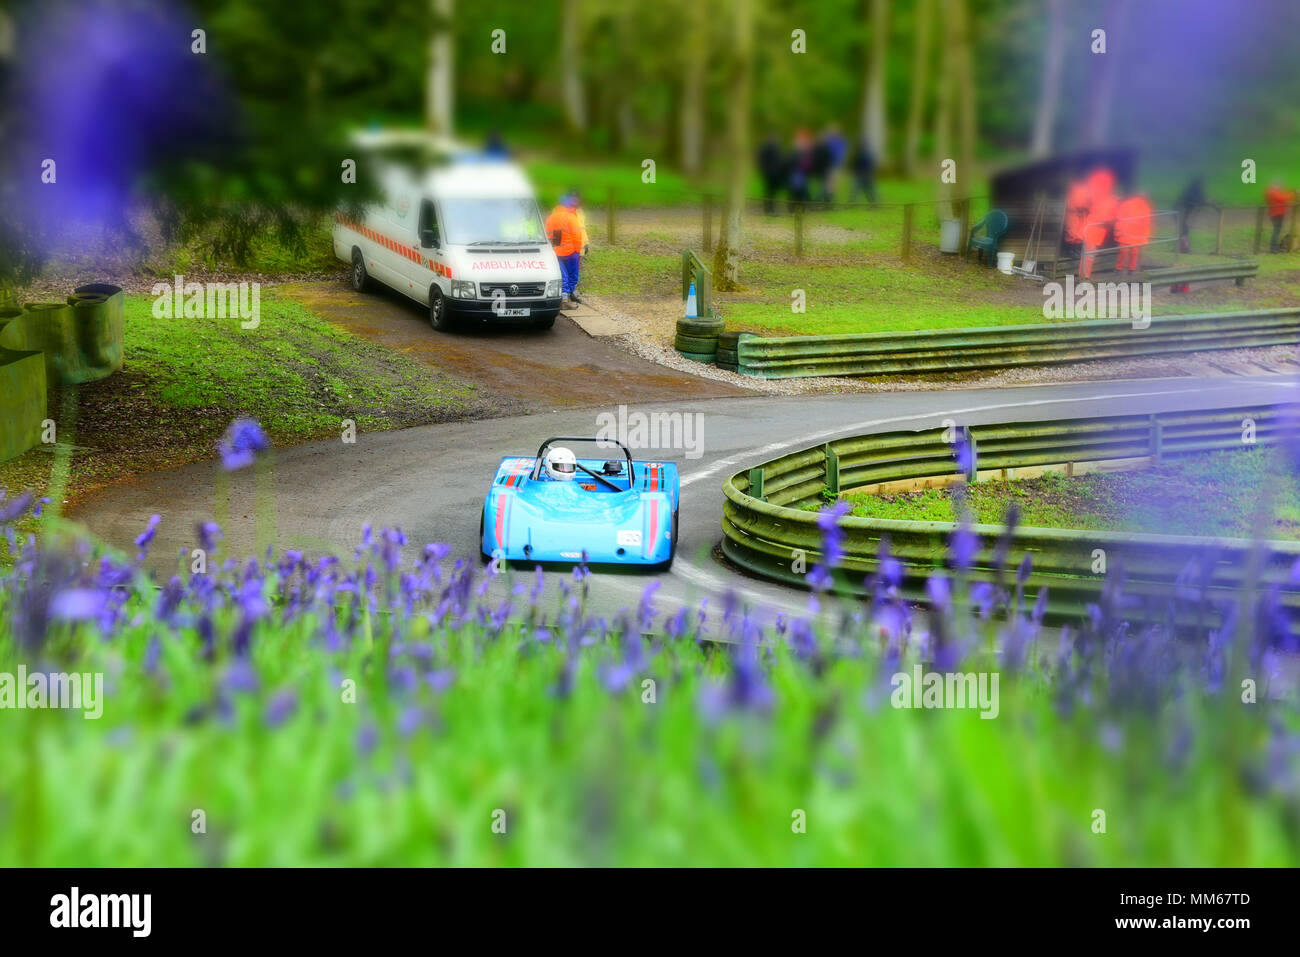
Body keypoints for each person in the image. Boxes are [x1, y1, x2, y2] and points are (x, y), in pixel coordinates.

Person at [545, 192, 584, 310]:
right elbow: (577, 235)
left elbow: (549, 236)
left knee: (563, 276)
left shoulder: (551, 218)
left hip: (556, 252)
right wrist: (577, 250)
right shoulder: (570, 217)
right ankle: (566, 301)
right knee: (572, 275)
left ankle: (565, 298)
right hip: (571, 252)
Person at [1114, 193, 1152, 272]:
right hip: (1133, 235)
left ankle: (1121, 268)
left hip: (1127, 234)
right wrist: (1145, 237)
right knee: (1132, 252)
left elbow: (1119, 219)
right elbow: (1146, 224)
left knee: (1125, 252)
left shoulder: (1128, 205)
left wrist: (1118, 233)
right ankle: (1129, 269)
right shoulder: (1144, 207)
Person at [757, 134, 785, 214]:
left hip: (768, 173)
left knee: (770, 191)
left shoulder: (765, 148)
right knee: (771, 192)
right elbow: (777, 160)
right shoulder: (773, 148)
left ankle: (769, 208)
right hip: (772, 173)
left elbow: (761, 160)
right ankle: (770, 209)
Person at [819, 125, 847, 203]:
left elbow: (841, 154)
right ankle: (828, 199)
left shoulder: (839, 142)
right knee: (829, 183)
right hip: (830, 164)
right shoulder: (830, 142)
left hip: (835, 164)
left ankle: (828, 198)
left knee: (832, 183)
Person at [1265, 181, 1296, 253]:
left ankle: (1275, 247)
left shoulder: (1273, 192)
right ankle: (1273, 248)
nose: (1279, 186)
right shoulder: (1272, 192)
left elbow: (1282, 198)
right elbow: (1283, 198)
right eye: (1278, 185)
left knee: (1277, 230)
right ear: (1274, 185)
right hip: (1276, 214)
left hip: (1277, 214)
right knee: (1276, 230)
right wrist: (1292, 193)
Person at [787, 129, 814, 209]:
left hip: (803, 173)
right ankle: (793, 207)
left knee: (801, 191)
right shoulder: (795, 150)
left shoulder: (806, 150)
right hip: (795, 173)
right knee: (795, 191)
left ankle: (800, 207)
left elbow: (809, 163)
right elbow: (791, 161)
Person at [848, 137, 877, 204]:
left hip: (862, 174)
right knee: (868, 190)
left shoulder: (862, 153)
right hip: (865, 174)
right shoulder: (867, 153)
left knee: (857, 189)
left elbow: (857, 164)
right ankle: (874, 203)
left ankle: (852, 203)